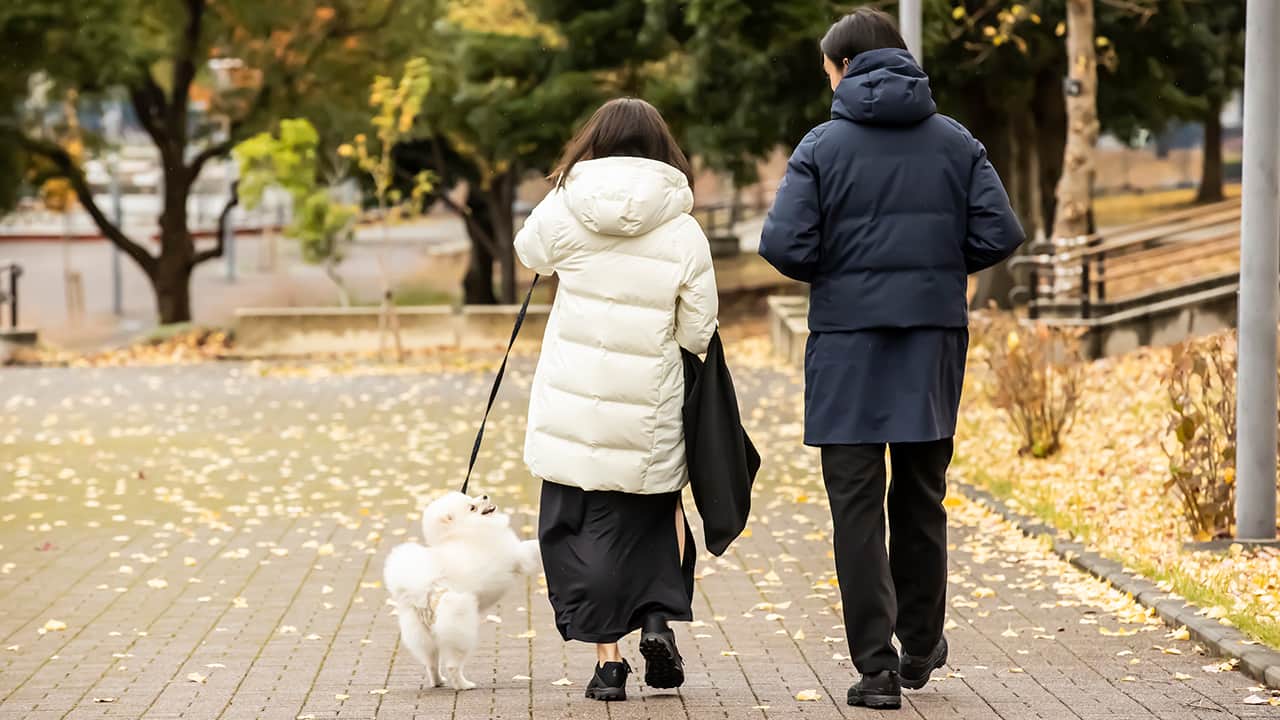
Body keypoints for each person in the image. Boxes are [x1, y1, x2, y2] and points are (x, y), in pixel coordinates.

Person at [759, 8, 1025, 711]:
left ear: (845, 66)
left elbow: (784, 246)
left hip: (846, 345)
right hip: (931, 340)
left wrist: (839, 269)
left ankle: (876, 671)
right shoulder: (955, 141)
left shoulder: (821, 146)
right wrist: (937, 268)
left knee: (855, 508)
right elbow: (1001, 231)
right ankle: (921, 645)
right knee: (921, 496)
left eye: (827, 72)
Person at [514, 98, 719, 702]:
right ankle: (656, 621)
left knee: (577, 523)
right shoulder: (681, 226)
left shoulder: (568, 207)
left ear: (593, 144)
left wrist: (560, 188)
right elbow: (698, 327)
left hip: (574, 398)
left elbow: (530, 253)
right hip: (650, 401)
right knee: (656, 513)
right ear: (662, 148)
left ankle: (608, 665)